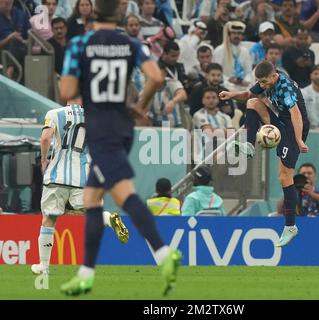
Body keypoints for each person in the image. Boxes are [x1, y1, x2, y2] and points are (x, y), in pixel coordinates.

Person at [59, 0, 181, 296]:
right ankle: (86, 274)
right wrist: (140, 105)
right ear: (119, 14)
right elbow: (156, 77)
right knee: (90, 198)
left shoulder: (80, 44)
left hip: (102, 131)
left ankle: (164, 254)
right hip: (122, 126)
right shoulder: (130, 44)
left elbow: (66, 91)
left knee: (123, 194)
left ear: (91, 13)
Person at [31, 100, 129, 275]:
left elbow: (46, 138)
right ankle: (108, 218)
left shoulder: (55, 113)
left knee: (49, 219)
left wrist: (44, 159)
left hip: (57, 176)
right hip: (82, 176)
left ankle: (43, 266)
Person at [219, 60, 310, 247]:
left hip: (294, 129)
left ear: (274, 76)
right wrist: (231, 94)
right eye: (259, 82)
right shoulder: (266, 81)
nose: (261, 85)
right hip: (282, 124)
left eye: (263, 82)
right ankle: (250, 146)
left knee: (285, 177)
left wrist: (299, 140)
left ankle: (290, 226)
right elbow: (248, 94)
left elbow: (296, 114)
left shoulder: (285, 87)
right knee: (253, 102)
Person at [213, 21, 252, 91]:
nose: (236, 36)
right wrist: (229, 80)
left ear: (242, 36)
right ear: (229, 35)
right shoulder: (220, 50)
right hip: (225, 85)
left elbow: (248, 72)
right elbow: (215, 71)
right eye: (234, 33)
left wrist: (245, 81)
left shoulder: (245, 51)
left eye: (239, 33)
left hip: (242, 86)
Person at [149, 63, 187, 128]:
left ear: (165, 74)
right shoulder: (148, 85)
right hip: (155, 123)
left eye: (160, 74)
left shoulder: (171, 82)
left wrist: (173, 101)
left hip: (172, 124)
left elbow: (183, 94)